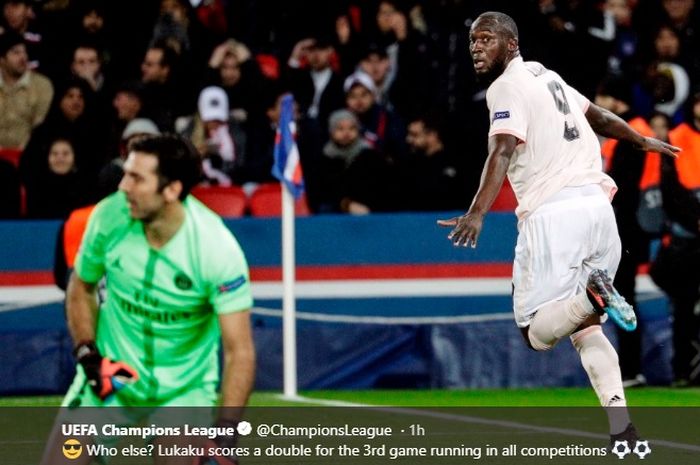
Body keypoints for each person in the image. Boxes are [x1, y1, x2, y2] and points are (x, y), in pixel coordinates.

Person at [437, 11, 679, 448]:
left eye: (486, 39)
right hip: (599, 212)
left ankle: (592, 294)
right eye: (473, 40)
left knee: (534, 332)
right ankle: (622, 428)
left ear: (511, 44)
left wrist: (477, 211)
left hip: (555, 213)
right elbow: (598, 116)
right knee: (587, 328)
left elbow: (503, 148)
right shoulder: (547, 77)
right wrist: (640, 140)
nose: (476, 47)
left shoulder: (506, 86)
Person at [40, 134, 255, 465]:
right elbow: (81, 287)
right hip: (111, 376)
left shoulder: (217, 249)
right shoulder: (108, 216)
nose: (123, 186)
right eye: (126, 172)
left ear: (172, 190)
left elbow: (239, 350)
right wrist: (87, 354)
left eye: (137, 178)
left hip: (182, 389)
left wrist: (226, 430)